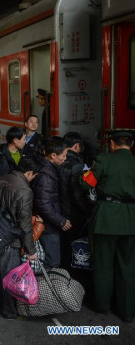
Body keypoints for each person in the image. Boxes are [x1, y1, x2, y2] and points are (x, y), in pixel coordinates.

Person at [79, 131, 135, 323]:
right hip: (131, 221)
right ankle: (127, 311)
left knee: (103, 265)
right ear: (132, 144)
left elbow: (86, 183)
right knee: (128, 267)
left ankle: (103, 307)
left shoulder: (104, 160)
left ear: (112, 144)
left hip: (105, 219)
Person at [0, 156, 40, 319]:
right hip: (10, 238)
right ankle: (10, 311)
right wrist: (31, 250)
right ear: (29, 172)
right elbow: (25, 224)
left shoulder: (1, 180)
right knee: (10, 275)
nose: (33, 179)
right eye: (34, 176)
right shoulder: (25, 191)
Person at [33, 137, 71, 268]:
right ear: (53, 155)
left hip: (50, 221)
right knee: (52, 261)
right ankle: (49, 287)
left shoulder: (49, 168)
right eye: (63, 155)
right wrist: (60, 220)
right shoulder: (46, 175)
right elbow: (44, 204)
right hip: (48, 224)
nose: (65, 158)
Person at [58, 132, 91, 268]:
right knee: (74, 251)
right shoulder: (76, 165)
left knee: (62, 249)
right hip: (73, 215)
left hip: (59, 213)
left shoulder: (58, 160)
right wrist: (88, 211)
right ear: (77, 146)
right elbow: (78, 195)